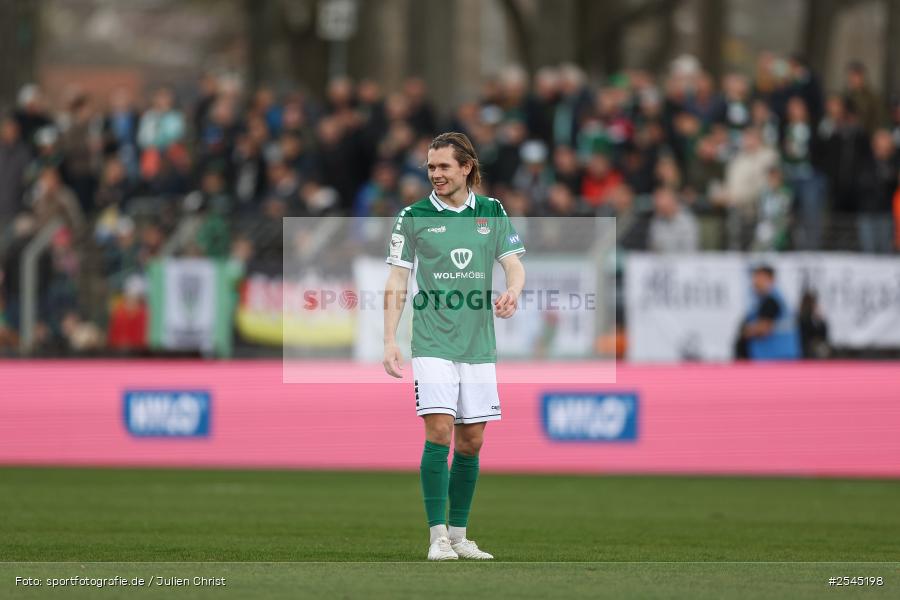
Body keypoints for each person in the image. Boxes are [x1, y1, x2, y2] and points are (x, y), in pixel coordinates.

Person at [383, 132, 525, 561]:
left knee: (472, 442)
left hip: (478, 343)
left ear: (467, 167)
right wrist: (389, 339)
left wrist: (513, 291)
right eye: (431, 167)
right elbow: (397, 281)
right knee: (440, 431)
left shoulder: (491, 211)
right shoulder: (414, 215)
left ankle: (461, 536)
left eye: (444, 166)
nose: (436, 175)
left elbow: (514, 264)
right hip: (432, 340)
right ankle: (437, 537)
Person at [735, 265, 800, 361]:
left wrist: (745, 331)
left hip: (774, 358)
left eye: (759, 278)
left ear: (771, 279)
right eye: (754, 277)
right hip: (780, 356)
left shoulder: (771, 301)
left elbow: (763, 328)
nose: (755, 282)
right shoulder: (774, 299)